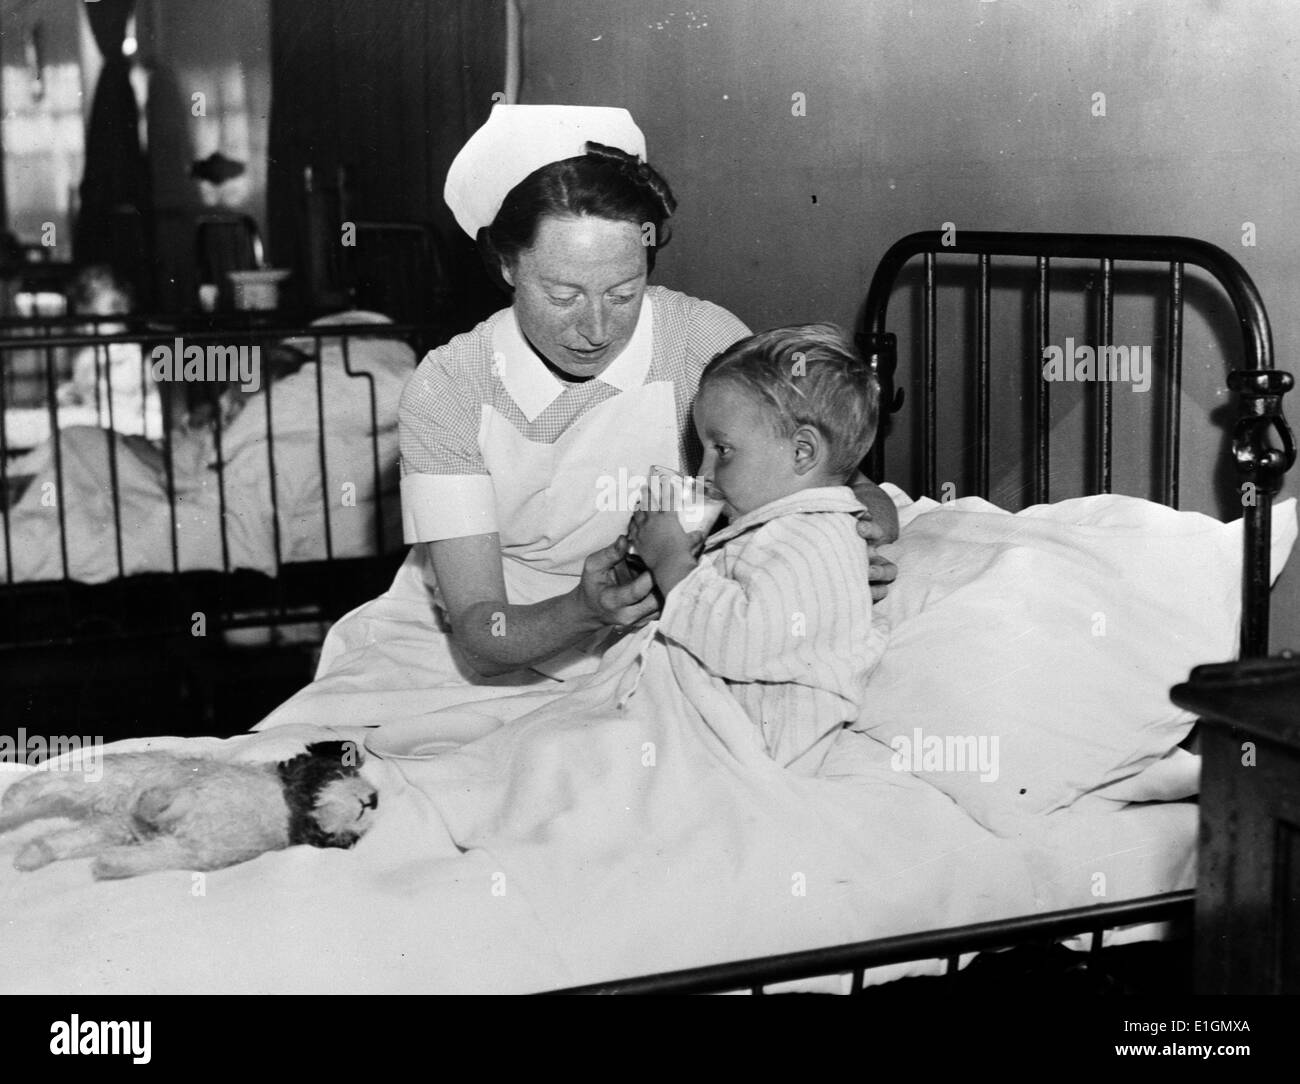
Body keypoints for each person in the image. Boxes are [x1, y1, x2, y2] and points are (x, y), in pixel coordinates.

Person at [256, 104, 898, 730]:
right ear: (506, 265)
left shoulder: (701, 339)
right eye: (563, 295)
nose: (596, 329)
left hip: (677, 626)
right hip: (487, 645)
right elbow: (482, 630)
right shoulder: (448, 389)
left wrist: (838, 542)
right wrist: (583, 610)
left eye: (624, 293)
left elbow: (842, 480)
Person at [626, 323, 887, 774]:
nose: (703, 471)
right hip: (719, 724)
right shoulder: (775, 525)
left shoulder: (813, 537)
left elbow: (744, 640)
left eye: (722, 450)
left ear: (803, 452)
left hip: (754, 747)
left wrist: (672, 561)